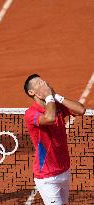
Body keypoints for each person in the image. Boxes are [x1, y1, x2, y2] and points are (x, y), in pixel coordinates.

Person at [24, 74, 85, 205]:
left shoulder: (56, 104)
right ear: (31, 92)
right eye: (40, 84)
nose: (45, 85)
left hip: (64, 169)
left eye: (44, 82)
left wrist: (56, 96)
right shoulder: (31, 113)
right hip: (47, 176)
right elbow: (50, 118)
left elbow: (81, 110)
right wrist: (49, 97)